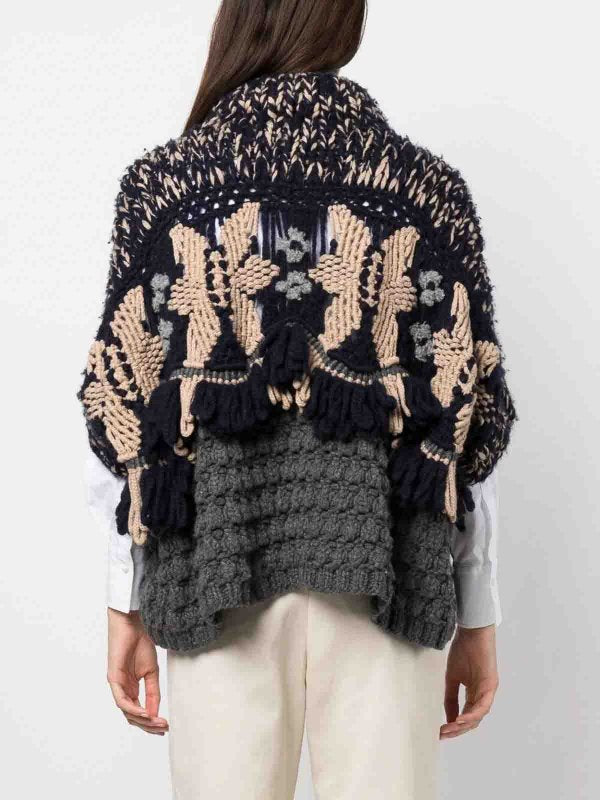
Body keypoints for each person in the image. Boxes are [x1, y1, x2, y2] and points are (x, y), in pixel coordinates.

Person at [78, 1, 516, 797]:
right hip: (387, 578)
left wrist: (124, 598)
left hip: (218, 577)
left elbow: (125, 409)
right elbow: (466, 418)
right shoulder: (424, 193)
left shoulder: (167, 190)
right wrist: (477, 604)